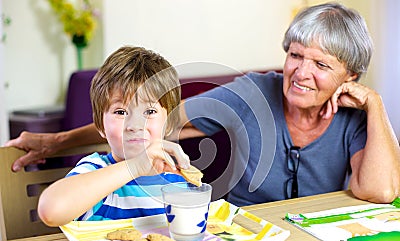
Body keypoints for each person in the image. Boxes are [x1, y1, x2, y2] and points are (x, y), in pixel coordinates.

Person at [7, 3, 400, 206]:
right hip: (246, 231)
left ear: (350, 76)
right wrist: (56, 141)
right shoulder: (254, 92)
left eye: (321, 64)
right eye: (295, 55)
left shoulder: (356, 115)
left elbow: (381, 192)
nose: (300, 72)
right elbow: (154, 123)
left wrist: (376, 106)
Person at [36, 46, 191, 226]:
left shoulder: (179, 178)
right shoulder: (95, 169)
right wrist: (135, 167)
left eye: (149, 111)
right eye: (121, 112)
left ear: (169, 122)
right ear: (101, 125)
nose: (135, 125)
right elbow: (51, 210)